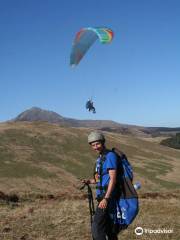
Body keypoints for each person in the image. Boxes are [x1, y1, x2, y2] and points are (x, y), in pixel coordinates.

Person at [82, 131, 119, 240]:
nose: (95, 147)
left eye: (97, 144)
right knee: (108, 228)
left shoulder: (110, 156)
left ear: (103, 142)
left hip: (107, 197)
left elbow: (113, 179)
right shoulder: (100, 158)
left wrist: (106, 198)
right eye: (93, 145)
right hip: (102, 197)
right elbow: (100, 179)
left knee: (96, 227)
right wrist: (89, 181)